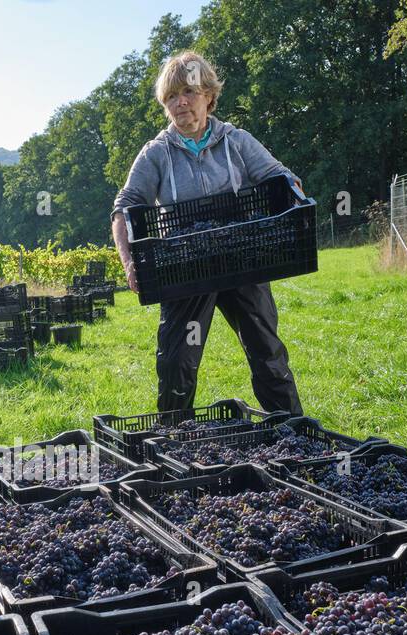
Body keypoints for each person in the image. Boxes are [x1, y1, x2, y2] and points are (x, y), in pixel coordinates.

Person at [110, 51, 305, 416]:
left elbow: (280, 177)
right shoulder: (156, 153)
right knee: (177, 363)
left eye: (189, 92)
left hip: (242, 256)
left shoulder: (237, 141)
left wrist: (291, 193)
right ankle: (171, 443)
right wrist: (129, 260)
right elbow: (125, 207)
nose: (180, 103)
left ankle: (293, 431)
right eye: (171, 96)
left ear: (209, 97)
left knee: (268, 354)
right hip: (186, 265)